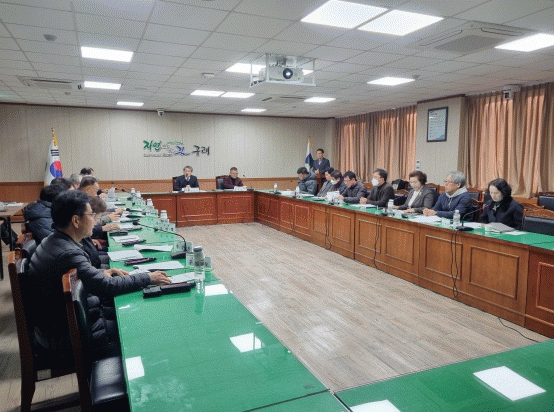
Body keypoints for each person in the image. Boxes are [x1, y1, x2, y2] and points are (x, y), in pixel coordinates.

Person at [27, 191, 171, 354]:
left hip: (62, 324)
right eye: (91, 215)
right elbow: (107, 286)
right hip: (69, 337)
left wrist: (101, 272)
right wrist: (148, 277)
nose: (95, 221)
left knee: (132, 311)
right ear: (76, 220)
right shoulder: (68, 253)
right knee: (140, 328)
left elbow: (89, 277)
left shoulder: (54, 240)